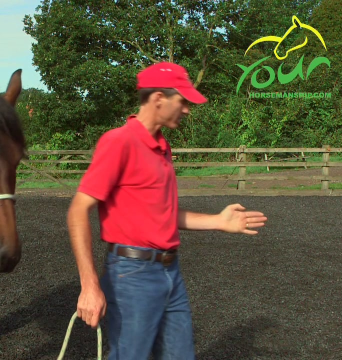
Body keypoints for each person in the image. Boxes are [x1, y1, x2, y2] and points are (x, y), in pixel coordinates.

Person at [66, 62, 268, 360]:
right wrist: (89, 285)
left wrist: (219, 221)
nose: (187, 109)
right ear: (159, 98)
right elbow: (77, 211)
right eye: (183, 101)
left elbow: (164, 215)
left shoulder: (162, 146)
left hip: (170, 271)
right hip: (132, 275)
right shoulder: (119, 141)